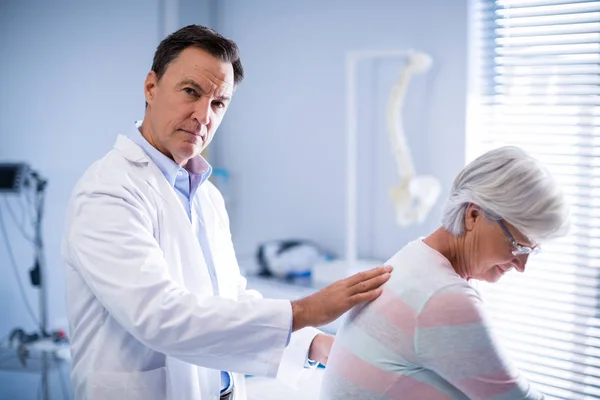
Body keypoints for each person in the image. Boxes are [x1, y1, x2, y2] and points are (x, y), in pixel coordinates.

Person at [61, 25, 393, 400]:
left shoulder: (206, 194)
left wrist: (315, 343)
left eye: (219, 103)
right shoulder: (108, 191)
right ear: (151, 88)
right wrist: (307, 309)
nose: (204, 115)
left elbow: (230, 300)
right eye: (191, 92)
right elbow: (160, 317)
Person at [320, 146, 570, 400]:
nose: (522, 265)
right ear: (473, 215)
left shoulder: (414, 258)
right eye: (518, 246)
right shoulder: (443, 297)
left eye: (533, 250)